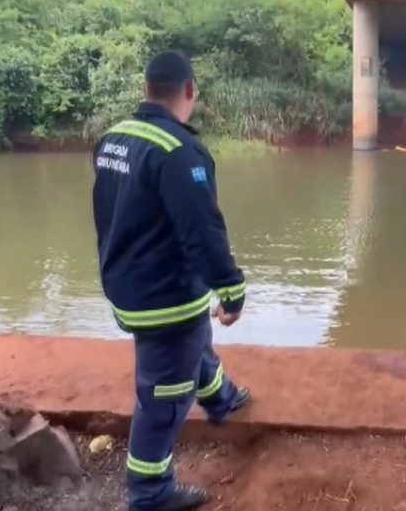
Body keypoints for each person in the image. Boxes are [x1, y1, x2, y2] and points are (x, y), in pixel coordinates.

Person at [92, 51, 250, 511]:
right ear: (189, 91)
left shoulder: (113, 140)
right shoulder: (179, 151)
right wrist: (232, 289)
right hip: (163, 296)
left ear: (146, 89)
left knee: (192, 342)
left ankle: (221, 397)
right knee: (164, 398)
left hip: (127, 283)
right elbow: (203, 232)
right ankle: (149, 494)